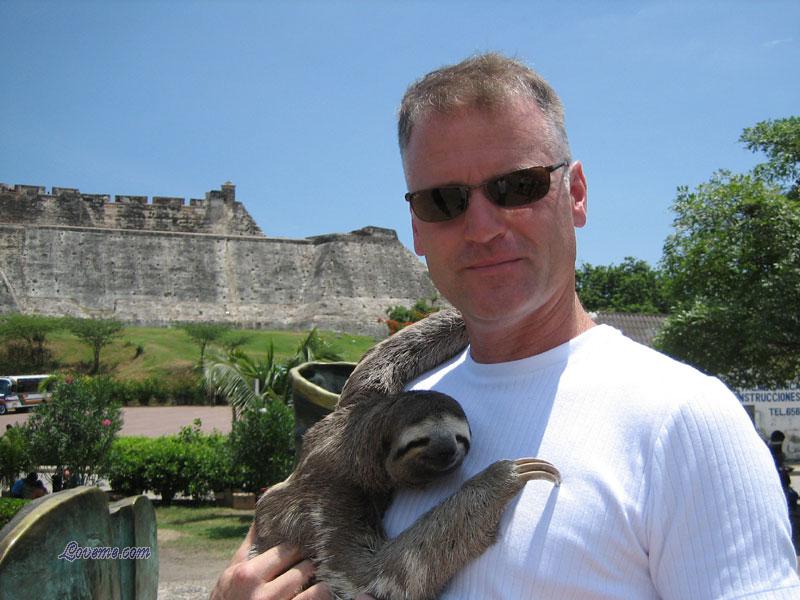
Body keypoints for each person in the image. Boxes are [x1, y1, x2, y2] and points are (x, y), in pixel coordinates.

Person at [212, 53, 800, 599]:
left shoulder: (685, 420)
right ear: (415, 227)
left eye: (518, 186)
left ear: (575, 194)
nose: (483, 228)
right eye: (443, 201)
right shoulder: (380, 411)